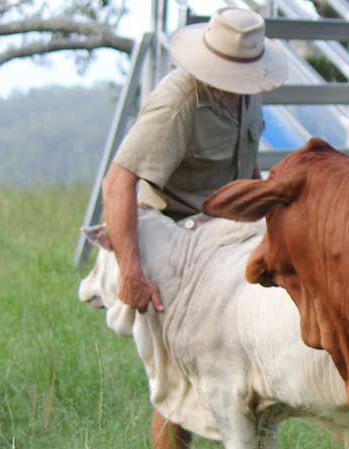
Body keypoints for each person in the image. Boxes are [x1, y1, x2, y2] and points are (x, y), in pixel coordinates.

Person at [102, 6, 290, 312]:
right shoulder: (177, 104)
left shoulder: (250, 92)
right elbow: (117, 181)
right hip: (177, 232)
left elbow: (245, 163)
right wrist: (130, 273)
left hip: (231, 228)